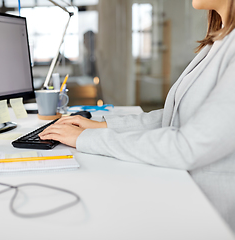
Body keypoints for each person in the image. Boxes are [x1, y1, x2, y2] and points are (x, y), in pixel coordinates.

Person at [39, 0, 235, 232]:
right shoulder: (219, 40)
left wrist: (86, 140)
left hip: (210, 215)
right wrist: (100, 126)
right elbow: (177, 115)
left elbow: (189, 146)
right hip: (185, 192)